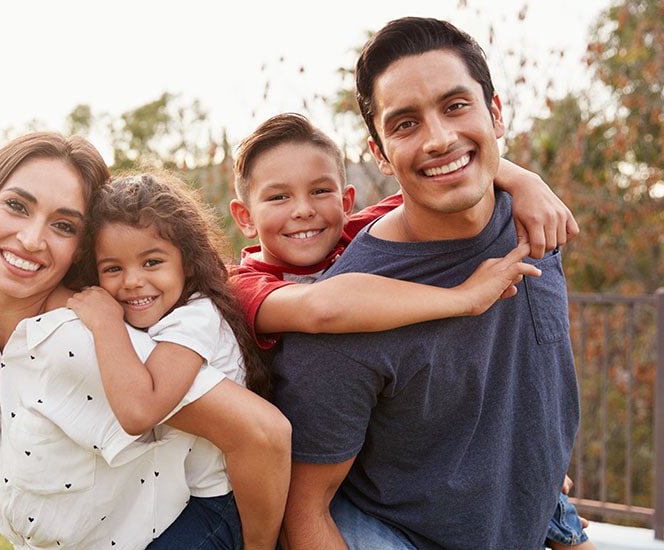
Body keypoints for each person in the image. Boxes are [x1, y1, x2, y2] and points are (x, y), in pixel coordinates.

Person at [270, 17, 581, 549]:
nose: (439, 139)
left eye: (456, 106)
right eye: (406, 123)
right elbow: (305, 512)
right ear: (379, 153)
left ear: (496, 113)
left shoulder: (535, 221)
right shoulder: (348, 314)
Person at [0, 132, 289, 550]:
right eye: (17, 206)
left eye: (63, 225)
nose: (30, 239)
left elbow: (262, 434)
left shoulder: (82, 339)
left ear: (80, 248)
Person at [67, 171, 289, 549]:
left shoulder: (194, 318)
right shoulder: (161, 316)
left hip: (221, 505)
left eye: (151, 262)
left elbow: (141, 411)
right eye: (113, 268)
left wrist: (106, 324)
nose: (133, 281)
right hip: (182, 498)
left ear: (187, 263)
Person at [229, 112, 575, 351]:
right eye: (278, 197)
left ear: (346, 202)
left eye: (320, 191)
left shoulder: (355, 232)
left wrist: (527, 182)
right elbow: (321, 308)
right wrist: (465, 298)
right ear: (245, 218)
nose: (304, 210)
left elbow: (443, 178)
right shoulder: (240, 286)